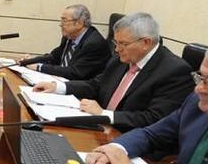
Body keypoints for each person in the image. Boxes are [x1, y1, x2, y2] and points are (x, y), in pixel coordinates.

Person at [33, 12, 192, 131]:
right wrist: (58, 87)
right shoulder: (122, 58)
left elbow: (154, 119)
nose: (117, 49)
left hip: (128, 138)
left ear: (146, 42)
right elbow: (97, 85)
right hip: (100, 127)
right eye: (116, 42)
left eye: (123, 44)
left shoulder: (174, 71)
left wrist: (105, 114)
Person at [24, 4, 110, 80]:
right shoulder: (69, 37)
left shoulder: (93, 44)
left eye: (64, 21)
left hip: (81, 92)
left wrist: (40, 67)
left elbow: (75, 72)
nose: (60, 24)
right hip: (61, 81)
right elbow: (54, 57)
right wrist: (32, 60)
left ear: (79, 23)